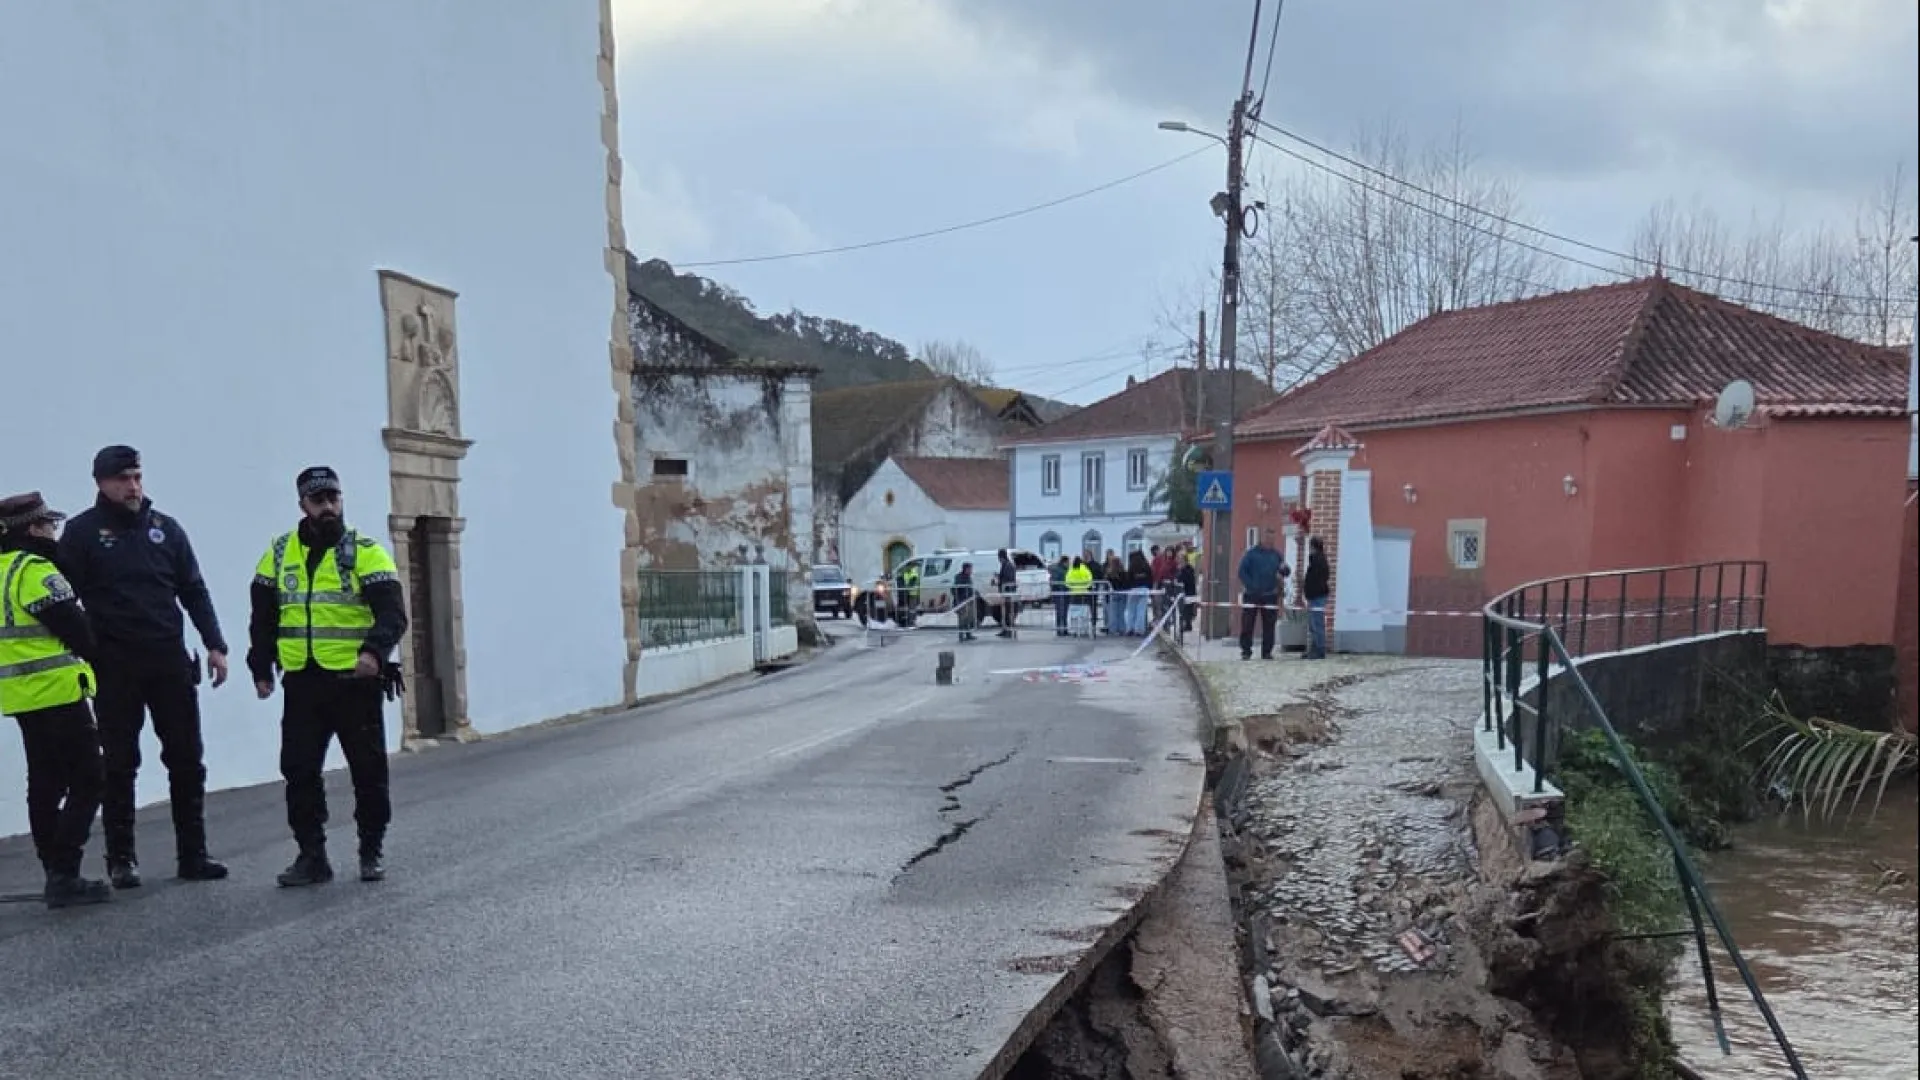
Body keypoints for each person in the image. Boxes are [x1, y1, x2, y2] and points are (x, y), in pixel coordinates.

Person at [58, 445, 230, 888]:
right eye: (122, 479)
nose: (132, 486)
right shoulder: (80, 533)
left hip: (169, 661)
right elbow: (63, 600)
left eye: (136, 477)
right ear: (101, 483)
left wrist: (215, 644)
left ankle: (193, 854)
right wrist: (87, 648)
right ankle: (121, 858)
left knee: (187, 759)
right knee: (119, 763)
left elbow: (193, 589)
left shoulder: (165, 529)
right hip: (115, 666)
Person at [247, 467, 408, 887]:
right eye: (318, 501)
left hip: (355, 682)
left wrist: (374, 652)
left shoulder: (366, 551)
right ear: (302, 505)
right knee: (299, 770)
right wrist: (261, 666)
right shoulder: (279, 553)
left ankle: (371, 849)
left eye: (333, 498)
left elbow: (393, 613)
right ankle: (311, 855)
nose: (328, 507)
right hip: (303, 681)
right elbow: (262, 616)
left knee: (368, 771)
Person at [0, 492, 112, 908]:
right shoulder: (35, 571)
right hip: (59, 693)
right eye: (49, 525)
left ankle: (54, 868)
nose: (54, 532)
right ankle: (65, 872)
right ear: (33, 529)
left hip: (20, 694)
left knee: (44, 783)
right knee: (90, 778)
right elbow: (79, 632)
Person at [1237, 527, 1289, 661]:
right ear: (1262, 538)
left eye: (1272, 538)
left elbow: (1284, 571)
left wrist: (1285, 570)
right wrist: (1251, 586)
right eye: (1268, 538)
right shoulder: (1251, 554)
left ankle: (1266, 652)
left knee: (1269, 625)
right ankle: (1246, 651)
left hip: (1270, 595)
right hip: (1252, 594)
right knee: (1248, 623)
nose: (1270, 541)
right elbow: (1242, 572)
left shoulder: (1276, 555)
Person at [1302, 536, 1331, 660]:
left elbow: (1313, 580)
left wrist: (1309, 593)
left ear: (1313, 546)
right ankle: (1315, 649)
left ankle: (1319, 650)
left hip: (1316, 596)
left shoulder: (1316, 560)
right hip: (1318, 595)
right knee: (1314, 624)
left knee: (1316, 624)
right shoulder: (1322, 560)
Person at [953, 561, 977, 642]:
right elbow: (955, 589)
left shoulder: (968, 577)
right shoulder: (959, 577)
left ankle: (968, 634)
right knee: (962, 619)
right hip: (961, 601)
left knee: (969, 618)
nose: (971, 571)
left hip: (968, 600)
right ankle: (961, 635)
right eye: (970, 569)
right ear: (965, 569)